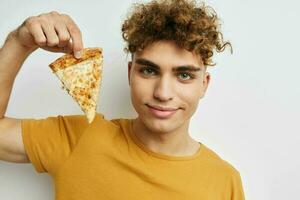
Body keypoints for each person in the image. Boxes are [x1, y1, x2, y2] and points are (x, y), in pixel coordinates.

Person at [0, 0, 245, 199]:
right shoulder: (80, 138)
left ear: (204, 84)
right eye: (149, 70)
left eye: (183, 75)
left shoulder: (224, 182)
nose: (162, 92)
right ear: (130, 74)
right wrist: (18, 43)